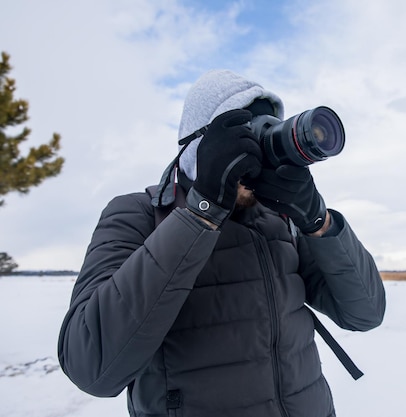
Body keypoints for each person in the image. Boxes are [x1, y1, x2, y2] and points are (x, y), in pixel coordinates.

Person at [58, 69, 386, 417]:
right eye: (246, 138)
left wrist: (318, 220)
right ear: (201, 144)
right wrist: (202, 211)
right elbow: (91, 368)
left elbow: (365, 313)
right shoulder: (139, 213)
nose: (259, 160)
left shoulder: (282, 222)